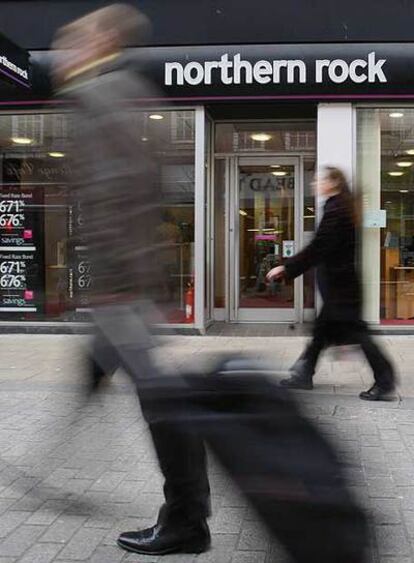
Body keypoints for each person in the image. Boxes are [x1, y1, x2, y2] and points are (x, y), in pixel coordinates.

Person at [52, 5, 211, 556]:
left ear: (102, 42)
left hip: (121, 285)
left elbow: (114, 195)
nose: (64, 52)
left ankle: (187, 519)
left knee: (161, 401)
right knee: (124, 383)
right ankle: (65, 454)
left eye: (73, 42)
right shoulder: (131, 95)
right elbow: (144, 191)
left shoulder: (96, 99)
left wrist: (114, 284)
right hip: (131, 280)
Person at [267, 166, 396, 401]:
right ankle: (303, 374)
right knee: (320, 332)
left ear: (333, 183)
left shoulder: (337, 210)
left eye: (319, 180)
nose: (314, 184)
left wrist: (287, 267)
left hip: (342, 289)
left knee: (358, 333)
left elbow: (319, 247)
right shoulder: (338, 206)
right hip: (340, 287)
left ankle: (385, 381)